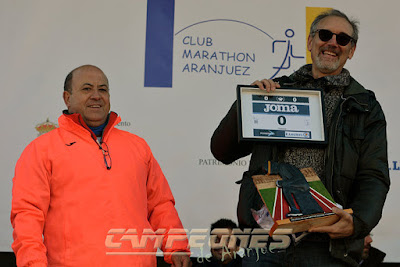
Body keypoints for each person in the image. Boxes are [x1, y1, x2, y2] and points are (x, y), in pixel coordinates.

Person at [211, 9, 390, 267]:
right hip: (268, 238)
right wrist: (247, 104)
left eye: (342, 39)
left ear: (351, 50)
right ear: (310, 42)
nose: (332, 43)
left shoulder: (365, 107)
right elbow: (221, 151)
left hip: (327, 245)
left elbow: (374, 175)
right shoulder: (273, 91)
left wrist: (357, 222)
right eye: (325, 34)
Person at [11, 65, 191, 267]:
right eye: (87, 89)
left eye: (103, 89)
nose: (96, 95)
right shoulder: (42, 149)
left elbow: (160, 205)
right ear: (67, 98)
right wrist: (32, 263)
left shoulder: (138, 147)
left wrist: (176, 248)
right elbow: (28, 215)